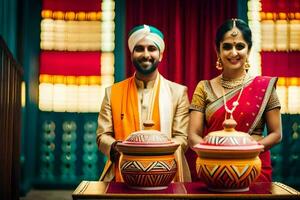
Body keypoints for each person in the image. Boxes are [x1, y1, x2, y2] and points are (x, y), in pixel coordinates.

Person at [188, 18, 282, 182]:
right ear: (218, 50)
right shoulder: (203, 88)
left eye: (240, 46)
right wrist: (216, 154)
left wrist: (246, 150)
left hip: (254, 167)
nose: (233, 53)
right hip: (214, 168)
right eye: (227, 47)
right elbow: (192, 136)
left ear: (249, 49)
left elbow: (276, 134)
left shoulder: (265, 87)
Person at [96, 24, 191, 182]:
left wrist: (152, 158)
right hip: (122, 172)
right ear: (132, 54)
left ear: (160, 54)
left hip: (167, 174)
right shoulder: (112, 92)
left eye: (151, 49)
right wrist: (122, 150)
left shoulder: (178, 93)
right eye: (139, 48)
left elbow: (182, 138)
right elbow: (102, 135)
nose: (146, 54)